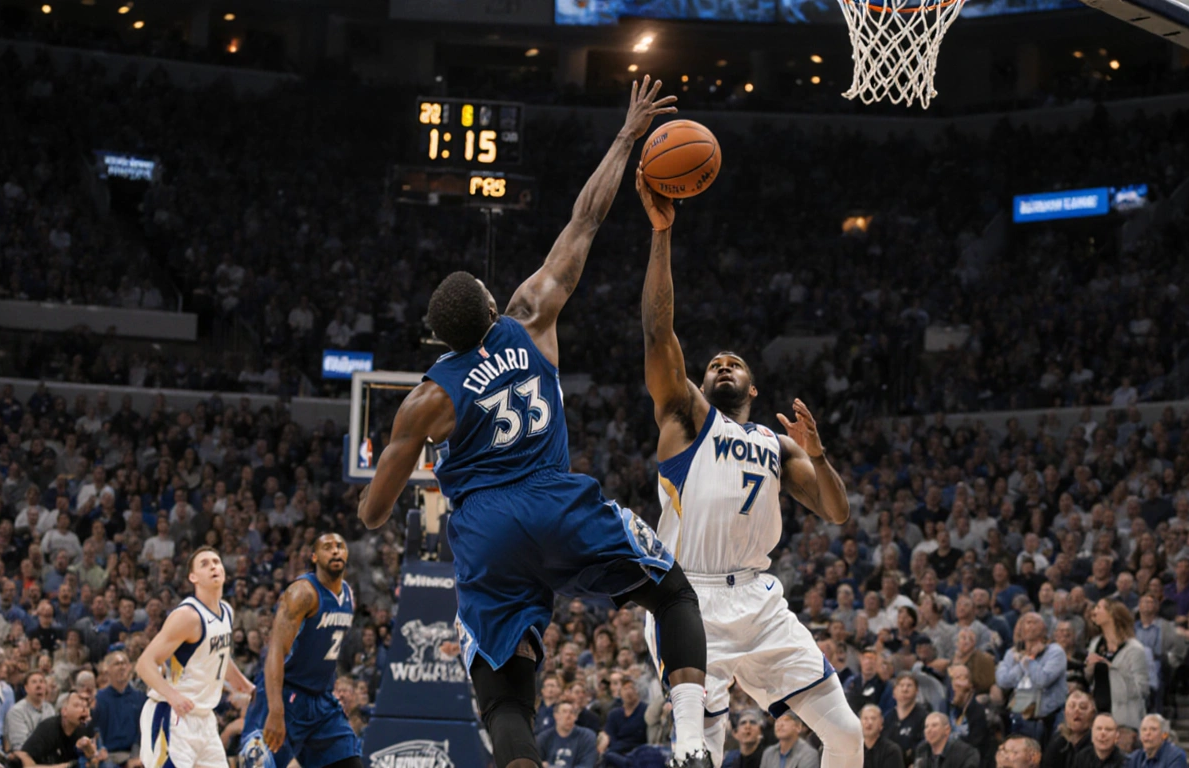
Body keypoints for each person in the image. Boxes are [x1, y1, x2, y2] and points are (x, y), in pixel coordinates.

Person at [357, 77, 712, 768]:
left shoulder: (427, 400)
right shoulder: (529, 317)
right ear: (491, 306)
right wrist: (625, 135)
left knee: (505, 693)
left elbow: (373, 514)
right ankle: (694, 744)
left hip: (487, 531)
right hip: (556, 500)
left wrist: (427, 463)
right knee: (671, 592)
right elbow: (585, 220)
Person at [633, 167, 862, 768]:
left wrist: (816, 453)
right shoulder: (685, 417)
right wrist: (662, 233)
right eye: (713, 363)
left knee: (847, 737)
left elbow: (837, 512)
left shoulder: (774, 442)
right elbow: (659, 331)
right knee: (698, 757)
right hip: (690, 598)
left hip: (760, 602)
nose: (724, 364)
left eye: (735, 363)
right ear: (701, 383)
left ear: (754, 388)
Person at [240, 534, 361, 768]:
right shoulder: (302, 593)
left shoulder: (347, 595)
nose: (335, 551)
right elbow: (275, 650)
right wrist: (275, 709)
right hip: (285, 696)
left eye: (340, 547)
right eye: (327, 547)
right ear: (315, 557)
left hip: (321, 702)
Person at [135, 547, 254, 768]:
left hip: (205, 720)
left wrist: (248, 688)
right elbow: (144, 664)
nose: (213, 567)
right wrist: (173, 696)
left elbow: (219, 656)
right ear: (193, 577)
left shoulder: (226, 611)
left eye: (216, 562)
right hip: (172, 717)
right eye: (204, 564)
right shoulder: (188, 616)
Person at [996, 613, 1067, 741]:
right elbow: (1003, 681)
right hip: (1018, 716)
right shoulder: (1012, 653)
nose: (1031, 626)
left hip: (1046, 719)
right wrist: (1023, 663)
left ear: (1044, 629)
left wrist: (1027, 661)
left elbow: (1042, 680)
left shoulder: (1055, 652)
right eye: (1027, 622)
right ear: (1020, 628)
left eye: (1035, 622)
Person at [1086, 599, 1149, 731]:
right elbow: (1090, 680)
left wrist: (1113, 668)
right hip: (1099, 719)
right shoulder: (1095, 644)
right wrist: (1089, 668)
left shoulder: (1134, 649)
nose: (1094, 611)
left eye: (1098, 607)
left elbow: (1141, 690)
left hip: (1124, 722)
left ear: (1111, 613)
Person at [15, 693, 105, 768]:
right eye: (77, 705)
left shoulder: (84, 729)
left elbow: (92, 762)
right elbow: (25, 761)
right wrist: (69, 766)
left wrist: (91, 756)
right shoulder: (48, 728)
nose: (84, 710)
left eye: (86, 706)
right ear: (64, 711)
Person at [94, 652, 145, 768]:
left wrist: (135, 756)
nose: (122, 667)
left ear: (130, 668)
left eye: (124, 663)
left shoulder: (140, 697)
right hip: (109, 755)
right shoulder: (99, 699)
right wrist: (101, 749)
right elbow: (95, 730)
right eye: (117, 664)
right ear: (107, 670)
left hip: (135, 754)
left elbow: (143, 730)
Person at [947, 665, 990, 768]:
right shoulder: (947, 706)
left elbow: (976, 747)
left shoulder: (977, 711)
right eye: (952, 679)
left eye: (960, 678)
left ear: (969, 684)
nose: (954, 685)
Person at [599, 679, 647, 768]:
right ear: (620, 693)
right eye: (625, 689)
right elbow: (610, 736)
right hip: (617, 752)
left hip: (638, 752)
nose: (629, 691)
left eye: (631, 688)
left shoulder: (646, 711)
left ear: (637, 690)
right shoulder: (614, 714)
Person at [5, 672, 55, 757]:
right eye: (34, 682)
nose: (39, 685)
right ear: (26, 688)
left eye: (42, 682)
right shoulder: (17, 711)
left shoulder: (49, 708)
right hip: (25, 758)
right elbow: (21, 746)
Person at [1044, 692, 1098, 768]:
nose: (1077, 710)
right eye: (1072, 706)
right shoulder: (1057, 742)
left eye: (1083, 707)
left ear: (1093, 714)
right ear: (1065, 713)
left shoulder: (1099, 743)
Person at [535, 702, 597, 768]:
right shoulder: (544, 737)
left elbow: (587, 765)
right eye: (564, 712)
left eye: (572, 712)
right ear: (556, 716)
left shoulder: (587, 736)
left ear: (576, 717)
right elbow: (537, 763)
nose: (568, 716)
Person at [887, 673, 928, 766]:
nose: (905, 689)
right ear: (894, 692)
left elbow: (925, 748)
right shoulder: (887, 718)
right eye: (901, 685)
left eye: (909, 686)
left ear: (917, 691)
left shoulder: (924, 717)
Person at [915, 712, 979, 768]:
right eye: (926, 727)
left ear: (947, 730)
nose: (929, 730)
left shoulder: (965, 753)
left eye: (934, 725)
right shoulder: (922, 751)